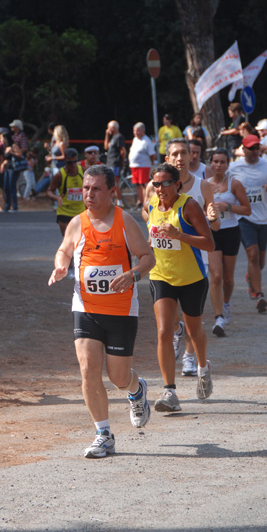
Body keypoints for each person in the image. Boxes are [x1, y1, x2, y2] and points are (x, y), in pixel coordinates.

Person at [48, 164, 155, 458]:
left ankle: (136, 390)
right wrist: (60, 265)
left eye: (96, 189)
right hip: (85, 307)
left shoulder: (124, 222)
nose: (89, 194)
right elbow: (64, 250)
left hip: (121, 310)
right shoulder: (77, 223)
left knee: (118, 377)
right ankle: (103, 434)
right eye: (86, 188)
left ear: (111, 191)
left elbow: (148, 257)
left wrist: (133, 274)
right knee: (88, 369)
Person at [143, 138, 220, 377]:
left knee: (193, 321)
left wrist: (214, 216)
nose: (180, 157)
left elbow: (213, 230)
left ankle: (190, 358)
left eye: (184, 153)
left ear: (191, 156)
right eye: (175, 153)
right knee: (167, 324)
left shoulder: (202, 186)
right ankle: (169, 387)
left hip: (196, 259)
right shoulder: (153, 188)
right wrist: (152, 229)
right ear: (168, 159)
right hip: (163, 265)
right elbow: (147, 211)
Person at [229, 134, 267, 313]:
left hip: (264, 218)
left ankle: (251, 277)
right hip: (244, 217)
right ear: (243, 149)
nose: (254, 151)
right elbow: (223, 184)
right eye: (250, 148)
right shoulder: (233, 167)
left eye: (257, 148)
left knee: (260, 261)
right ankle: (259, 294)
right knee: (252, 255)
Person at [207, 149, 251, 335]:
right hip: (212, 233)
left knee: (228, 278)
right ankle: (219, 318)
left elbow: (247, 210)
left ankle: (226, 303)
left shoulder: (235, 184)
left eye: (222, 162)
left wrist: (228, 207)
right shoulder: (205, 185)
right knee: (216, 276)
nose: (218, 165)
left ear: (228, 164)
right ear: (210, 163)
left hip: (231, 231)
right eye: (215, 161)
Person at [47, 148, 85, 278]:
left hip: (80, 212)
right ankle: (70, 268)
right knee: (68, 241)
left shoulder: (83, 172)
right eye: (70, 163)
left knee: (81, 240)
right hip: (64, 212)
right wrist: (56, 198)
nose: (73, 165)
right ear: (65, 162)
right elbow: (49, 190)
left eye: (75, 162)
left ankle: (81, 266)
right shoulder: (60, 175)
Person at [129, 122, 156, 209]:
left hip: (143, 166)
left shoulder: (146, 141)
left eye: (137, 131)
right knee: (137, 185)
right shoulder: (135, 139)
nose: (135, 133)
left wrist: (151, 163)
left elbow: (152, 154)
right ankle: (139, 202)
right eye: (134, 131)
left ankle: (146, 202)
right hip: (134, 166)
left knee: (144, 185)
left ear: (142, 131)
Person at [104, 120, 126, 206]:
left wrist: (122, 162)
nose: (107, 129)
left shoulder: (119, 137)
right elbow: (106, 146)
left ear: (112, 128)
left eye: (108, 127)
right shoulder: (112, 137)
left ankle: (120, 201)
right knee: (110, 182)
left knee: (115, 182)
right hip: (110, 163)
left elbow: (123, 151)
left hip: (115, 163)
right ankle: (115, 200)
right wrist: (107, 134)